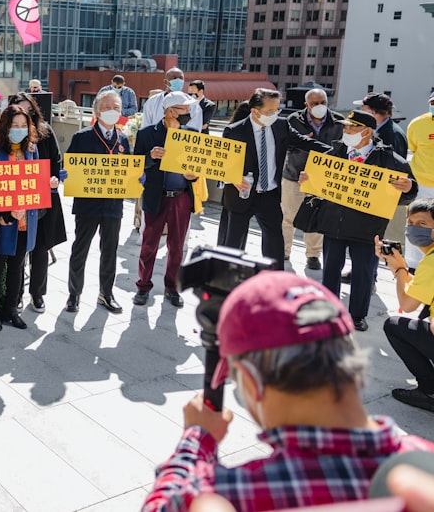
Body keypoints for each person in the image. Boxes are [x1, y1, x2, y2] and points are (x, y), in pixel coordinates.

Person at [143, 270, 434, 512]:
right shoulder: (424, 469)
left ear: (251, 382)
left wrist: (196, 439)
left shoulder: (226, 495)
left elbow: (164, 503)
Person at [299, 110, 416, 331]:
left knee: (362, 273)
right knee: (331, 269)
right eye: (345, 127)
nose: (346, 131)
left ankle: (357, 316)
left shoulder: (388, 159)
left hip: (367, 229)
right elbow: (317, 180)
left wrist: (408, 188)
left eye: (352, 127)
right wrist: (308, 179)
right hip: (335, 223)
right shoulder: (335, 151)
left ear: (367, 131)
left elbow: (409, 192)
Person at [222, 88, 330, 269]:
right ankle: (227, 281)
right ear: (254, 111)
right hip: (241, 193)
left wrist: (338, 154)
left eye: (277, 110)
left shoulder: (281, 126)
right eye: (269, 112)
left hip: (269, 195)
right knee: (233, 242)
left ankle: (275, 278)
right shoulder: (235, 131)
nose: (274, 115)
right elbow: (222, 163)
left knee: (275, 242)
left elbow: (306, 142)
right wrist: (232, 177)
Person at [66, 90, 131, 313]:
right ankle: (74, 294)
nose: (112, 111)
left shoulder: (123, 139)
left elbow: (128, 170)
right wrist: (66, 174)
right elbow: (69, 167)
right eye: (107, 107)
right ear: (96, 111)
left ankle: (106, 293)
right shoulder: (82, 137)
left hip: (113, 205)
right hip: (88, 205)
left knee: (110, 250)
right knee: (80, 249)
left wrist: (136, 177)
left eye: (116, 107)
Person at [0, 105, 50, 330]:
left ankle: (10, 309)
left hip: (26, 219)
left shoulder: (32, 150)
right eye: (15, 126)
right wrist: (3, 212)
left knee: (17, 267)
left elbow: (35, 183)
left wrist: (48, 184)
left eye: (24, 126)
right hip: (3, 222)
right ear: (5, 127)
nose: (19, 130)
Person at [133, 92, 201, 307]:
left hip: (181, 197)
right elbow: (135, 166)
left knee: (177, 246)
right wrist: (150, 158)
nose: (189, 113)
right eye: (184, 109)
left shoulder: (192, 134)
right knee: (149, 245)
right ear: (171, 111)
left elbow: (198, 167)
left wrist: (194, 175)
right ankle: (143, 286)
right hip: (156, 197)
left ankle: (172, 288)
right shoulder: (146, 135)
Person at [9, 93, 66, 313]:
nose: (26, 116)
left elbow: (55, 161)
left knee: (40, 250)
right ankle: (17, 295)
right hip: (16, 203)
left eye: (29, 111)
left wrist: (53, 180)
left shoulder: (45, 132)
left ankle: (37, 294)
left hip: (41, 201)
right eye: (19, 112)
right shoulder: (8, 136)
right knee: (18, 250)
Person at [376, 198, 434, 412]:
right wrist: (399, 267)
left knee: (394, 325)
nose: (413, 228)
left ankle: (429, 391)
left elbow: (408, 304)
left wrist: (400, 271)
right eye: (410, 223)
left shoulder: (430, 262)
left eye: (422, 224)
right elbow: (420, 292)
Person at [281, 88, 344, 269]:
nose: (319, 106)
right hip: (294, 175)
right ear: (306, 105)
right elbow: (284, 145)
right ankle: (284, 250)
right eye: (315, 103)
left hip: (322, 180)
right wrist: (301, 141)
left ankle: (313, 255)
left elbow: (341, 150)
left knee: (318, 218)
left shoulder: (338, 122)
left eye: (322, 102)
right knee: (288, 216)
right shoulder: (293, 120)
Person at [216, 101, 252, 247]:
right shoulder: (246, 133)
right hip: (242, 182)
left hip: (231, 182)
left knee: (227, 220)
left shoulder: (230, 130)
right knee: (240, 225)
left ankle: (222, 249)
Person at [406, 92, 434, 270]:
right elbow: (413, 148)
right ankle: (413, 267)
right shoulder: (417, 124)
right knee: (416, 224)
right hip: (421, 186)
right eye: (432, 102)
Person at [357, 92, 408, 158]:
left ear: (372, 113)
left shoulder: (393, 134)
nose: (361, 115)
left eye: (363, 111)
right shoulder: (377, 129)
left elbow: (394, 164)